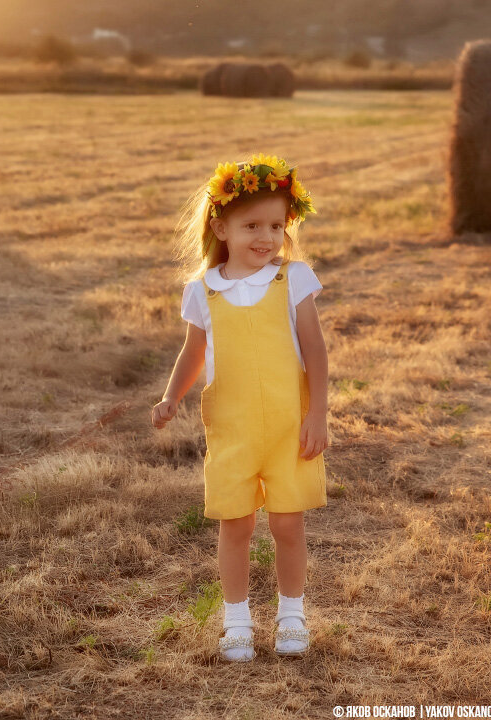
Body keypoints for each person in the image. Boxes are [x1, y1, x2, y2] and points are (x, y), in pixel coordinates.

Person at [151, 154, 330, 662]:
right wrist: (171, 397)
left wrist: (317, 414)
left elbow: (314, 350)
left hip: (289, 427)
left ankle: (291, 616)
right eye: (253, 225)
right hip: (232, 430)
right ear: (221, 226)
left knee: (288, 524)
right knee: (236, 525)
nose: (266, 236)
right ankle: (236, 623)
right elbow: (194, 352)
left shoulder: (293, 279)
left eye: (277, 225)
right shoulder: (203, 289)